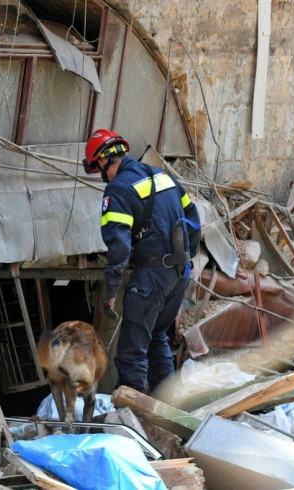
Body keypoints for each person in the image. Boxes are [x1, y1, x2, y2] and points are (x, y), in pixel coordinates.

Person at [82, 129, 201, 394]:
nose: (101, 175)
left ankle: (129, 416)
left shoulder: (118, 189)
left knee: (131, 351)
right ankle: (167, 406)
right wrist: (187, 259)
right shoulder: (162, 176)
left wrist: (111, 292)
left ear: (102, 161)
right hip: (179, 273)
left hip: (151, 277)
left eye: (97, 167)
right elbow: (193, 216)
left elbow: (119, 246)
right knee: (158, 337)